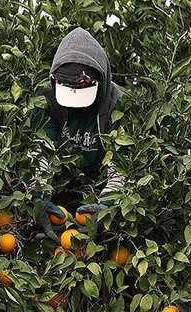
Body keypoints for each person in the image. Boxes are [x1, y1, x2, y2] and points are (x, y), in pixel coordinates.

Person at [30, 27, 125, 245]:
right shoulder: (48, 101)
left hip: (103, 187)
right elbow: (41, 153)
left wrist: (106, 207)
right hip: (62, 192)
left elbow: (122, 168)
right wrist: (38, 198)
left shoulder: (118, 107)